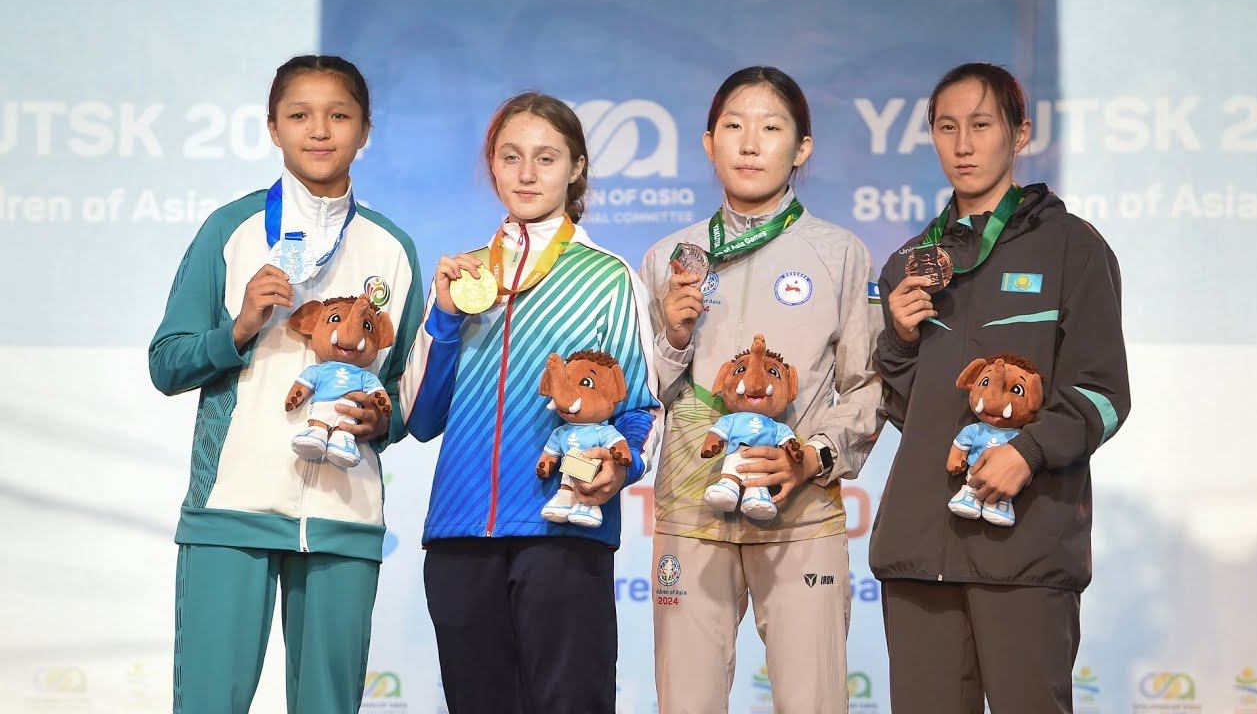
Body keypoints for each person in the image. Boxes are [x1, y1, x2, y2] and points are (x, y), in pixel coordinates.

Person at [149, 55, 424, 713]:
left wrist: (384, 420)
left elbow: (404, 389)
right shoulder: (232, 230)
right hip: (232, 508)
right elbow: (167, 363)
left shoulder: (391, 248)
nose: (319, 130)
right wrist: (241, 327)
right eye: (300, 115)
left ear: (366, 129)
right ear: (273, 127)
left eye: (339, 115)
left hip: (343, 516)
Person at [871, 61, 1131, 713]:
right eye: (947, 127)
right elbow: (910, 411)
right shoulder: (910, 263)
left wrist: (1029, 451)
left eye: (981, 125)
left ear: (1020, 134)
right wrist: (897, 341)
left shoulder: (1072, 247)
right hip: (919, 548)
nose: (963, 145)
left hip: (1025, 548)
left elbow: (1103, 393)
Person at [401, 91, 662, 713]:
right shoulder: (463, 277)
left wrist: (620, 465)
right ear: (492, 164)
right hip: (460, 533)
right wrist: (443, 319)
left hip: (563, 532)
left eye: (546, 158)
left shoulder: (608, 278)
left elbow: (644, 409)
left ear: (576, 168)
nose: (525, 174)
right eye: (510, 156)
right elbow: (420, 417)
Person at [638, 65, 883, 714]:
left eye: (771, 128)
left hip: (800, 513)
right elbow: (641, 397)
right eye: (733, 126)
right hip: (693, 511)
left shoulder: (840, 253)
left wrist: (813, 456)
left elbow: (867, 387)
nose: (749, 144)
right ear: (708, 142)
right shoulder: (669, 257)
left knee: (813, 701)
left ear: (801, 148)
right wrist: (673, 336)